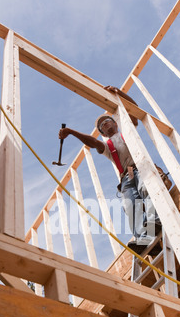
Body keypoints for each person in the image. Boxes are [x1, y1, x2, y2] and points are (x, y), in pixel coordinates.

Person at [58, 86, 162, 255]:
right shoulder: (107, 146)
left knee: (146, 189)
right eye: (101, 125)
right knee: (130, 206)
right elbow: (92, 142)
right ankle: (144, 238)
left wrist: (119, 93)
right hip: (126, 178)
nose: (104, 124)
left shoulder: (128, 130)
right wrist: (70, 131)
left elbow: (134, 110)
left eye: (107, 121)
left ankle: (153, 224)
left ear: (115, 123)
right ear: (102, 132)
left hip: (141, 167)